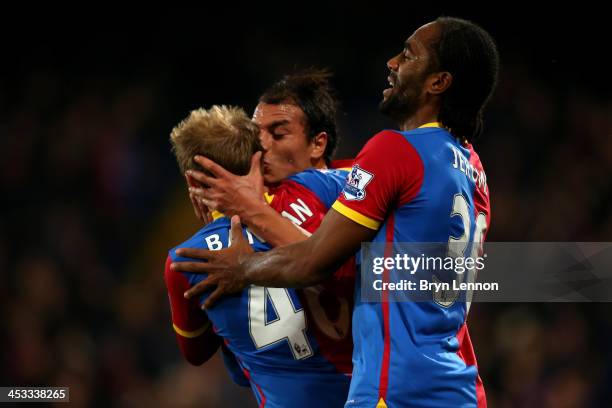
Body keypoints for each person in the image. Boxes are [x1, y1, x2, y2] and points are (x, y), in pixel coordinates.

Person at [172, 17, 500, 407]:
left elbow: (315, 261)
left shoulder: (393, 151)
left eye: (409, 55)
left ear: (438, 82)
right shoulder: (475, 171)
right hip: (460, 389)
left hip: (396, 391)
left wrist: (241, 265)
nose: (393, 62)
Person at [166, 101, 356, 406]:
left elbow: (196, 353)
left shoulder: (186, 260)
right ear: (258, 159)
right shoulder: (320, 187)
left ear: (192, 182)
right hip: (371, 393)